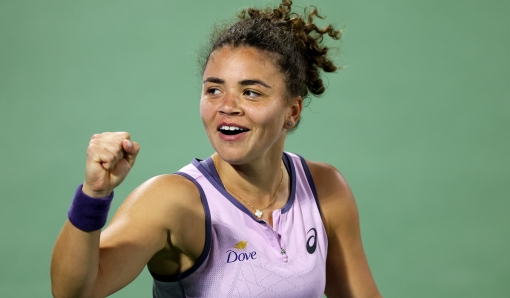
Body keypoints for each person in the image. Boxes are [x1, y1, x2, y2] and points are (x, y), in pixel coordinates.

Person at [50, 0, 381, 297]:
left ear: (291, 112)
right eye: (213, 90)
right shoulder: (172, 202)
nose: (227, 106)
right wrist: (93, 195)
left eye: (251, 92)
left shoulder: (325, 190)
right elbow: (74, 292)